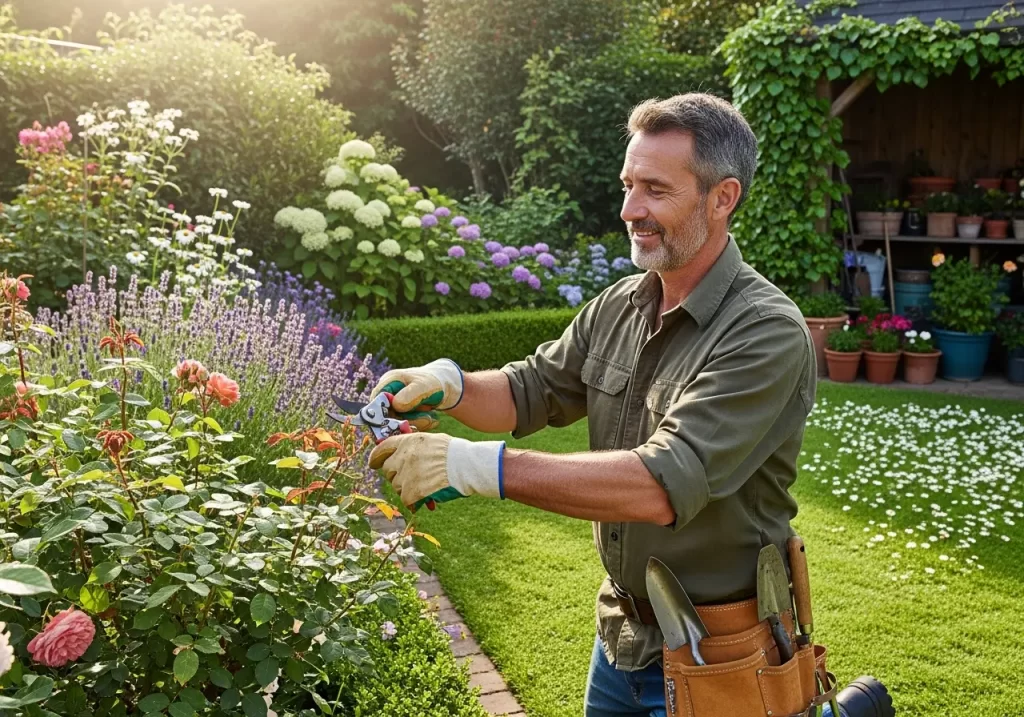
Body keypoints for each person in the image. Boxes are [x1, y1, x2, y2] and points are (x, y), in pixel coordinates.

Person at [367, 92, 817, 717]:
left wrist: (470, 467)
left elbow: (661, 483)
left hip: (723, 656)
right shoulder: (621, 304)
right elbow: (531, 390)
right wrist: (450, 384)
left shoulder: (765, 332)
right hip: (621, 641)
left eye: (656, 190)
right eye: (629, 185)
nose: (631, 209)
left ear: (722, 198)